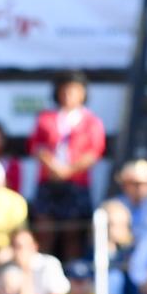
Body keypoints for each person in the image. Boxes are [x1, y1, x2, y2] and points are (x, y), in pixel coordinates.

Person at [29, 71, 106, 261]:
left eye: (73, 90)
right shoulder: (46, 117)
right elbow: (36, 146)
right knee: (45, 231)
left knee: (73, 233)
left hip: (76, 184)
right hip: (49, 182)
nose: (68, 95)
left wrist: (68, 171)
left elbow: (94, 151)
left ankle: (73, 273)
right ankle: (43, 270)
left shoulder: (91, 121)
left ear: (82, 93)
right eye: (64, 90)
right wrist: (53, 166)